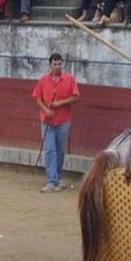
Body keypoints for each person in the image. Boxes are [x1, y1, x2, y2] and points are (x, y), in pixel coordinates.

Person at [31, 52, 80, 193]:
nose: (57, 66)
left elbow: (76, 96)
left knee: (60, 151)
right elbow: (37, 98)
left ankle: (58, 178)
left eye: (59, 64)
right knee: (50, 150)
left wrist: (60, 103)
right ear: (50, 65)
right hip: (47, 120)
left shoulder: (69, 79)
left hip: (64, 120)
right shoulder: (43, 80)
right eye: (55, 64)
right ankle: (52, 181)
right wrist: (46, 110)